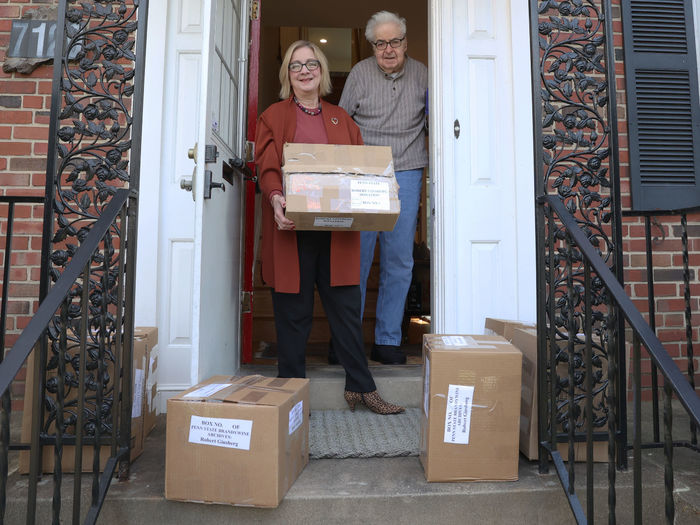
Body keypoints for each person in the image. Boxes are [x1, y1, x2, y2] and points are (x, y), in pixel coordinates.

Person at [255, 40, 404, 415]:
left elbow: (359, 171)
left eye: (311, 64)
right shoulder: (273, 116)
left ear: (321, 71)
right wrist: (275, 199)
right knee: (293, 313)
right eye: (296, 65)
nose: (304, 71)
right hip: (291, 229)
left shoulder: (343, 120)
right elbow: (267, 166)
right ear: (287, 74)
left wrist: (383, 186)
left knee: (346, 310)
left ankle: (362, 387)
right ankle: (291, 396)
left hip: (337, 231)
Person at [339, 11, 428, 365]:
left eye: (394, 42)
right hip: (364, 173)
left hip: (406, 170)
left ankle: (387, 341)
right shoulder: (360, 73)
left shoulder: (424, 73)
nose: (388, 49)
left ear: (405, 43)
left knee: (399, 260)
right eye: (380, 43)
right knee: (355, 258)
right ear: (372, 46)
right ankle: (346, 341)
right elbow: (342, 124)